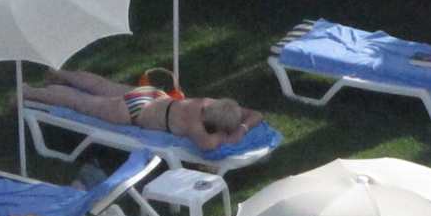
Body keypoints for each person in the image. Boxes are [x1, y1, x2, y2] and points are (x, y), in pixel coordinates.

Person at [25, 69, 264, 153]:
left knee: (100, 85)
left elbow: (255, 113)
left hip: (152, 95)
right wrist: (239, 131)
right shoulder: (196, 127)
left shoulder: (209, 103)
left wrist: (243, 123)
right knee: (82, 103)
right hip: (135, 111)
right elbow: (211, 145)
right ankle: (28, 92)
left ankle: (62, 74)